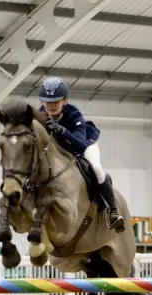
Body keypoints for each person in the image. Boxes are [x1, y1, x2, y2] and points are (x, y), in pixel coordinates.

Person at [38, 77, 125, 231]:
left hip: (84, 145)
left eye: (55, 102)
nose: (51, 106)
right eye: (47, 102)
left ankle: (113, 211)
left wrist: (62, 131)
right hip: (59, 152)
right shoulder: (41, 116)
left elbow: (80, 144)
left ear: (65, 100)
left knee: (96, 167)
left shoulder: (73, 114)